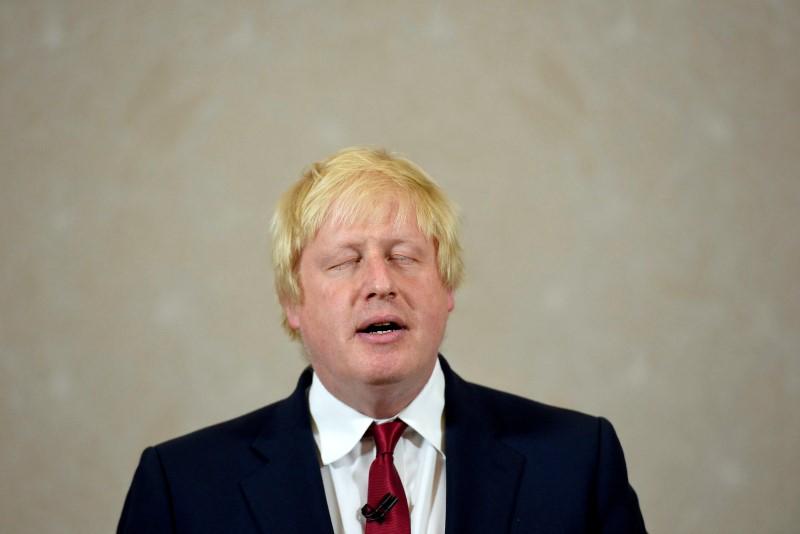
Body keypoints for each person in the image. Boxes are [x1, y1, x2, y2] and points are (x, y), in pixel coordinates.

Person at [118, 147, 647, 533]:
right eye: (345, 261)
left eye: (403, 256)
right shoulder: (180, 489)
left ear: (447, 287)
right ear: (293, 303)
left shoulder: (577, 462)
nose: (380, 282)